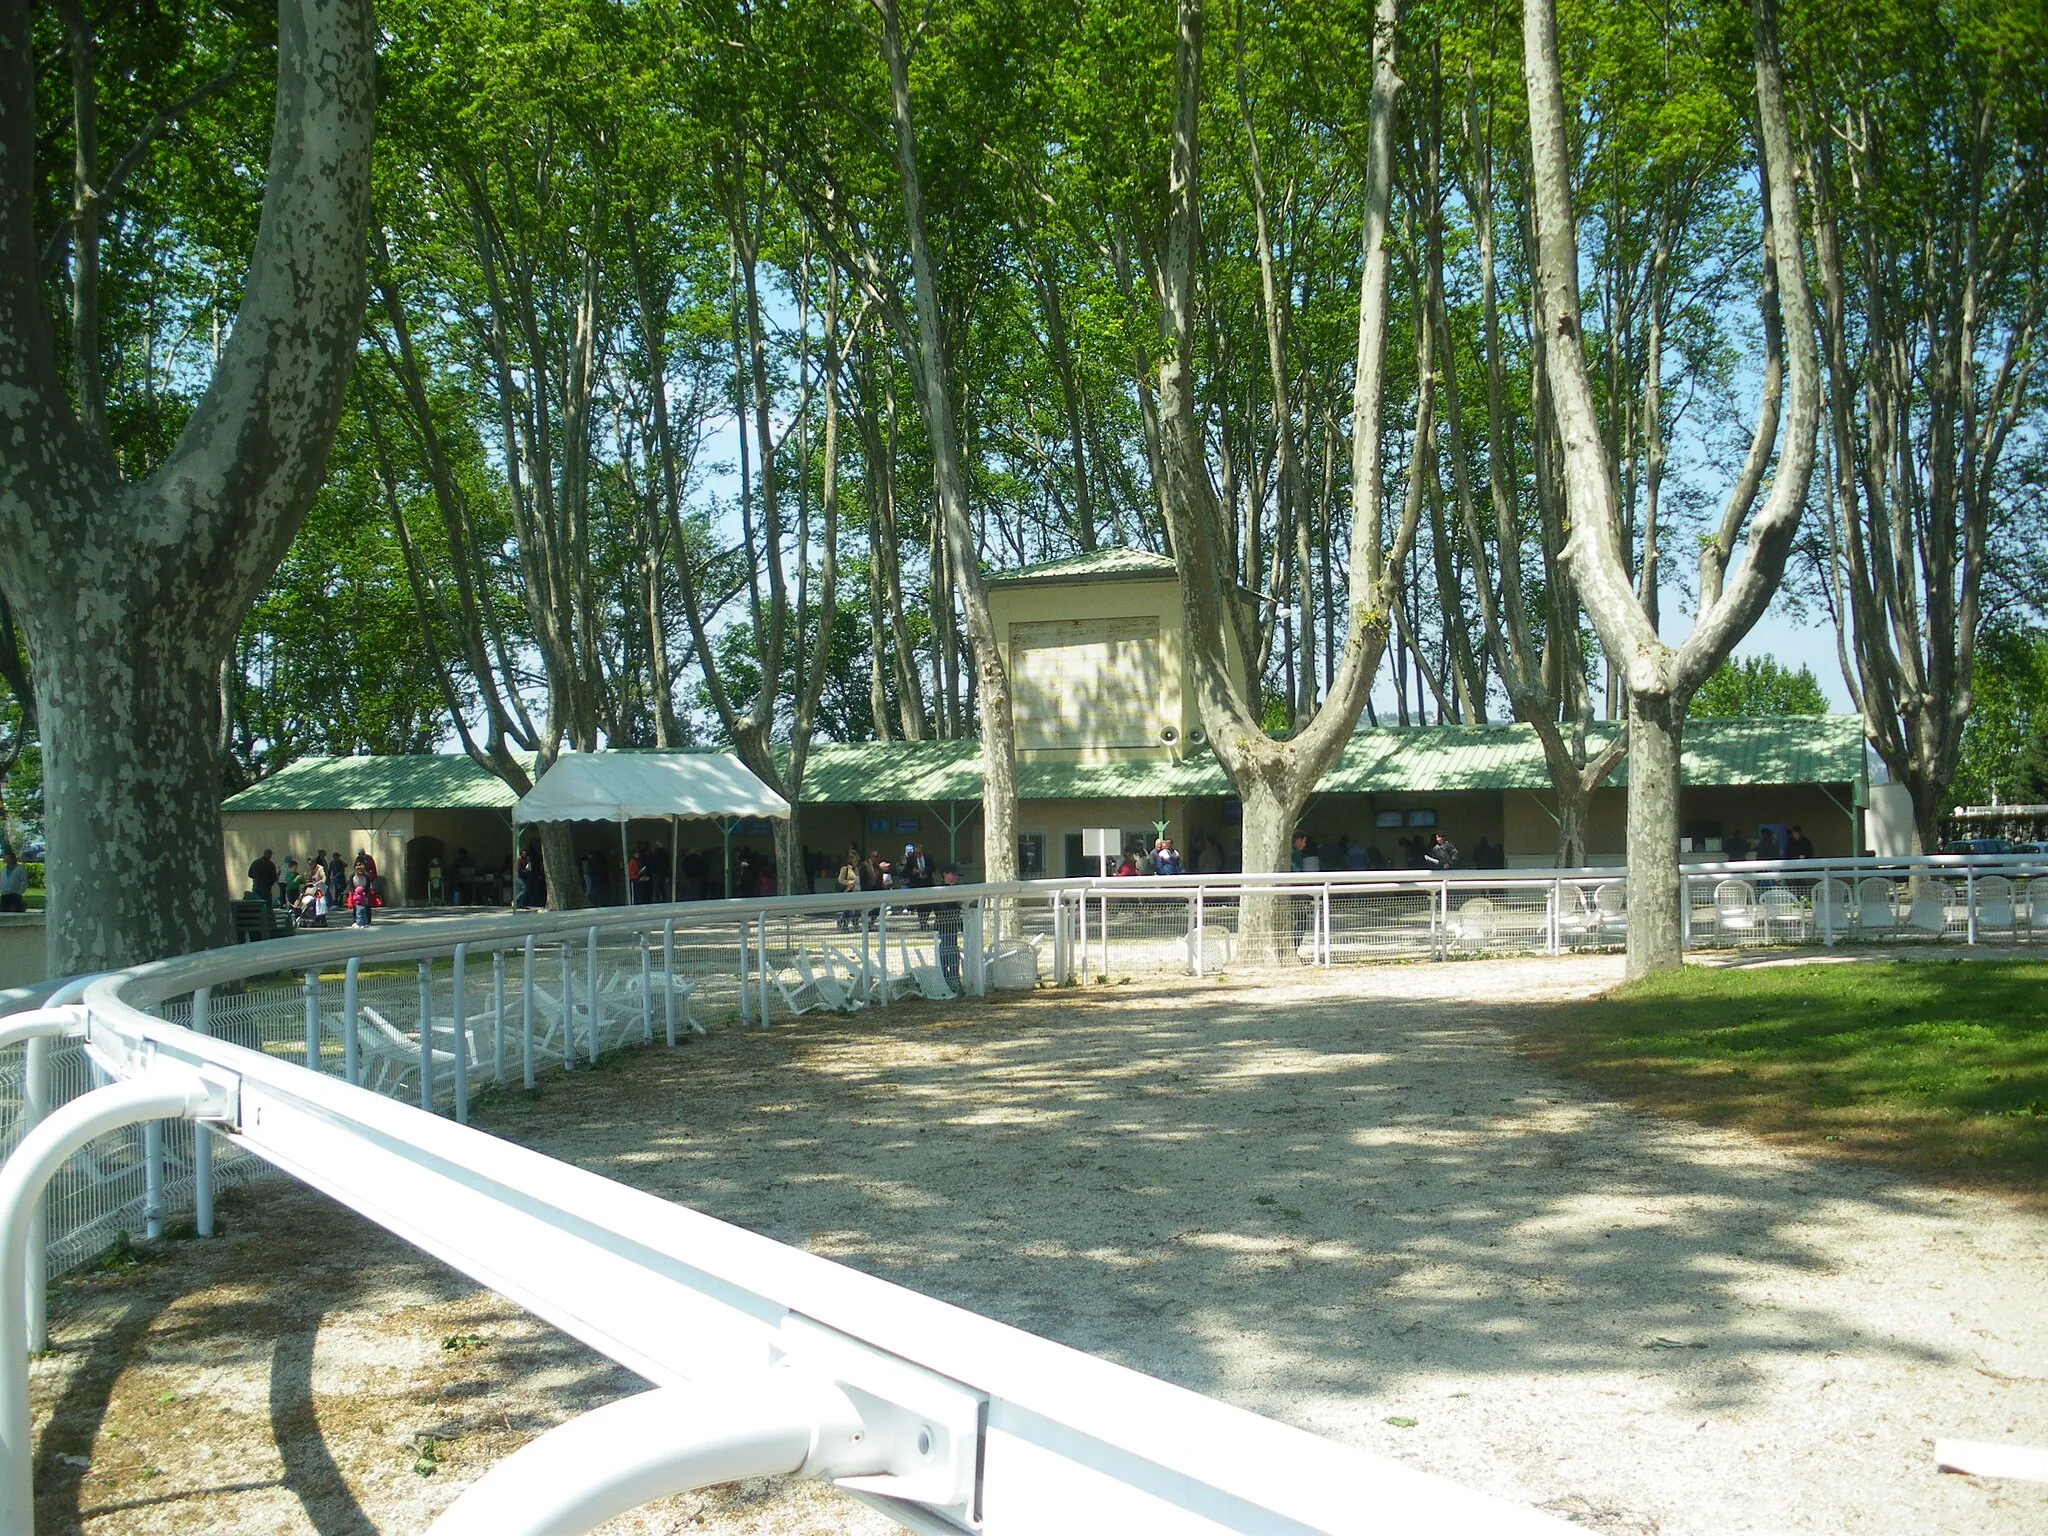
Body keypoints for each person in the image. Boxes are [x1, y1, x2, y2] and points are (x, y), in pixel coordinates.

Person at [933, 865, 966, 990]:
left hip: (953, 927)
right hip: (944, 926)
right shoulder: (940, 891)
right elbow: (940, 908)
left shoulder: (954, 890)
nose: (956, 877)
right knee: (948, 952)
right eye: (953, 874)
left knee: (951, 951)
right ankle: (949, 979)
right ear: (945, 874)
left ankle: (952, 978)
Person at [836, 849, 861, 931]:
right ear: (851, 859)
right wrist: (850, 882)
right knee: (848, 910)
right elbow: (840, 880)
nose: (856, 861)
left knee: (857, 909)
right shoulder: (845, 868)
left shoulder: (857, 869)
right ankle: (844, 924)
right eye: (855, 859)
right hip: (848, 891)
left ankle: (855, 924)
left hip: (857, 891)